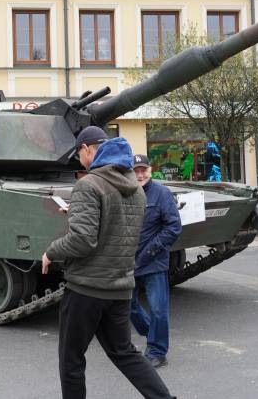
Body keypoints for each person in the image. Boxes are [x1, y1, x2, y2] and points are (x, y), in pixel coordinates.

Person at [42, 126, 174, 399]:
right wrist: (80, 212)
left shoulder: (88, 184)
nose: (80, 160)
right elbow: (116, 226)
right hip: (120, 288)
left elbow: (82, 240)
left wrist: (51, 252)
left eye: (79, 154)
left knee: (71, 359)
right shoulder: (137, 190)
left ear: (87, 149)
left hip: (86, 288)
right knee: (124, 353)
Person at [129, 154, 183, 369]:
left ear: (150, 171)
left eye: (143, 170)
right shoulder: (125, 192)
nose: (140, 175)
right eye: (136, 171)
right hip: (128, 261)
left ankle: (157, 351)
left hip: (153, 260)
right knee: (128, 306)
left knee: (158, 309)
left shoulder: (162, 194)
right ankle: (153, 331)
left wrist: (150, 250)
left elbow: (173, 227)